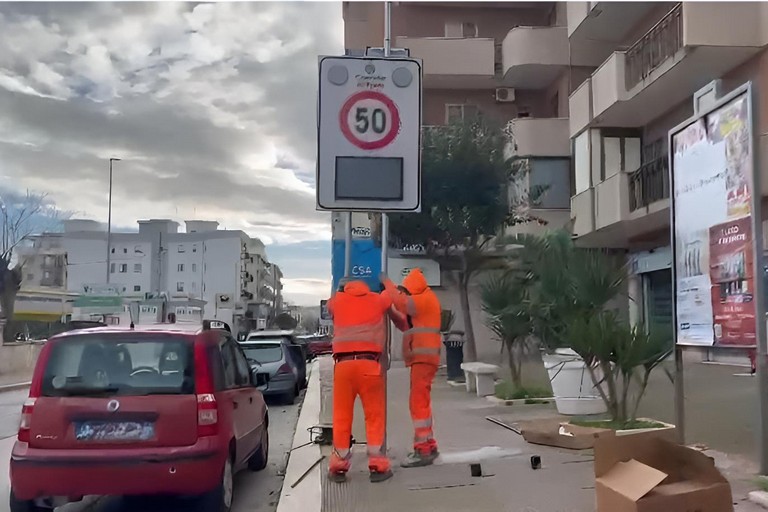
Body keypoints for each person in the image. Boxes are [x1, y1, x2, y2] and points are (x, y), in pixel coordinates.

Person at [326, 278, 394, 483]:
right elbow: (390, 296)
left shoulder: (337, 301)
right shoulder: (377, 300)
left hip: (343, 366)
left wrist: (339, 291)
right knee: (374, 416)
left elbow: (330, 306)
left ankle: (339, 464)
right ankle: (378, 465)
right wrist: (385, 282)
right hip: (369, 365)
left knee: (341, 415)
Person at [381, 268, 442, 468]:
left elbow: (402, 304)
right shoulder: (423, 303)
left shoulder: (423, 299)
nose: (404, 295)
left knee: (418, 404)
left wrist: (387, 284)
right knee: (421, 402)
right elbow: (405, 325)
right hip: (423, 359)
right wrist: (390, 311)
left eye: (405, 291)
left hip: (423, 358)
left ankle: (423, 449)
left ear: (411, 289)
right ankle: (429, 445)